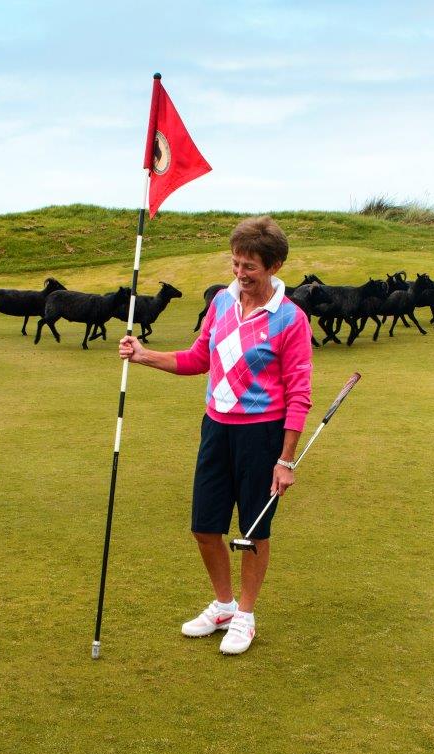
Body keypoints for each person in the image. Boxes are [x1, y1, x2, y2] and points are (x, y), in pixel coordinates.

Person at [119, 216, 312, 655]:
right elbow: (197, 358)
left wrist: (286, 460)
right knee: (205, 527)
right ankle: (223, 606)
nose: (241, 275)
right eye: (236, 264)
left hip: (262, 435)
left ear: (275, 266)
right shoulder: (222, 304)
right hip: (216, 428)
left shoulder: (290, 319)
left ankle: (245, 614)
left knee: (253, 531)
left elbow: (299, 393)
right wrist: (145, 356)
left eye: (251, 268)